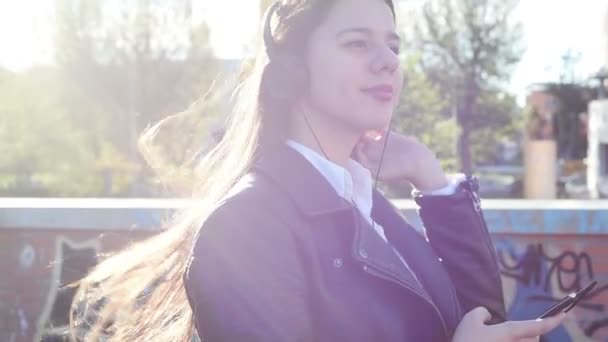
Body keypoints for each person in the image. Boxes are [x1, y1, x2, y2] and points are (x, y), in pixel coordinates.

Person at [70, 0, 566, 341]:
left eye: (393, 45)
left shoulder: (367, 207)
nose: (387, 61)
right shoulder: (247, 228)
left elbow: (484, 318)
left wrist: (432, 182)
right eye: (357, 43)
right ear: (293, 70)